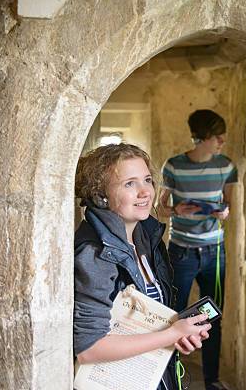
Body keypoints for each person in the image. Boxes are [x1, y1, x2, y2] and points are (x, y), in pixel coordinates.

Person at [73, 142, 212, 390]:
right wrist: (170, 334)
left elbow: (140, 320)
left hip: (149, 376)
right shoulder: (96, 252)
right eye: (130, 183)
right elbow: (89, 348)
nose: (145, 192)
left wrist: (178, 332)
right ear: (100, 195)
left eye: (147, 180)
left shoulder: (146, 238)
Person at [159, 110, 238, 390]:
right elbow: (160, 208)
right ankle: (172, 378)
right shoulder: (173, 166)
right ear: (202, 137)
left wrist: (222, 212)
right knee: (174, 316)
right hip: (180, 252)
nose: (222, 142)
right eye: (218, 137)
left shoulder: (227, 167)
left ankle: (212, 381)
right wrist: (175, 209)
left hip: (214, 253)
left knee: (212, 315)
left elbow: (227, 207)